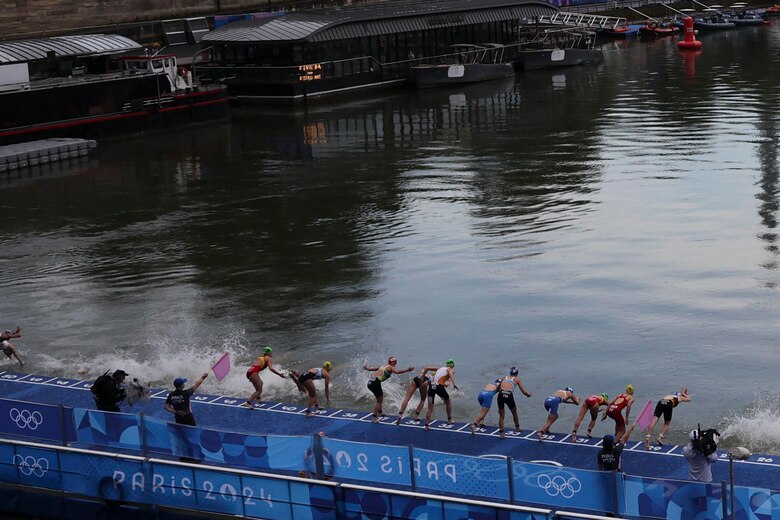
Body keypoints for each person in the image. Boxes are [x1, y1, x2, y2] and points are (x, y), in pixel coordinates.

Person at [363, 357, 414, 423]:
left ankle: (380, 413)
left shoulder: (383, 365)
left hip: (370, 382)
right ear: (394, 362)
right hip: (375, 383)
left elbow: (370, 369)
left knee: (380, 398)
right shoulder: (390, 367)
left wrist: (366, 367)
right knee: (379, 401)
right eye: (395, 362)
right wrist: (407, 370)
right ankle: (374, 418)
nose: (395, 364)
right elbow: (397, 372)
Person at [496, 367, 533, 439]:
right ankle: (517, 427)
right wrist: (528, 395)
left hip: (500, 395)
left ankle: (501, 433)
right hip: (508, 395)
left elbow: (498, 389)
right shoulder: (516, 379)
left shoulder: (504, 377)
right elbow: (523, 391)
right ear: (517, 373)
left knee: (501, 415)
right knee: (514, 412)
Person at [424, 359, 458, 431]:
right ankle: (449, 420)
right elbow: (451, 373)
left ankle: (426, 425)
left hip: (431, 386)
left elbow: (426, 368)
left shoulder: (439, 368)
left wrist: (422, 376)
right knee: (448, 402)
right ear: (453, 366)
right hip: (438, 387)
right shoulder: (450, 369)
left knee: (430, 407)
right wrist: (454, 384)